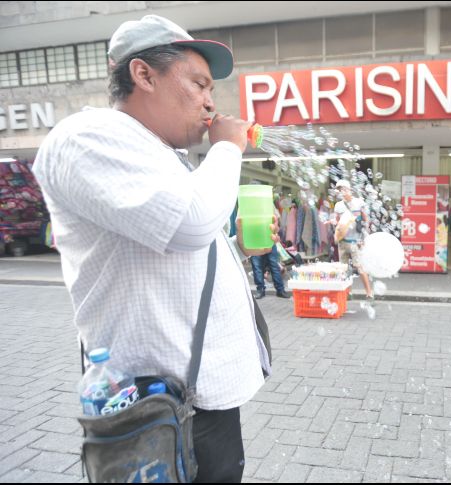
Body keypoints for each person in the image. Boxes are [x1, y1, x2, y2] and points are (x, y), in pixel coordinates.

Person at [32, 15, 276, 483]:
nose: (210, 101)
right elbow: (192, 224)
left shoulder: (160, 153)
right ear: (143, 74)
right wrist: (227, 149)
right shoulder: (87, 137)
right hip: (154, 409)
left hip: (196, 402)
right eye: (200, 83)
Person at [333, 179, 374, 302]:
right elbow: (337, 222)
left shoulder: (359, 202)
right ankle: (348, 292)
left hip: (356, 241)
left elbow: (366, 220)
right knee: (344, 269)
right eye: (340, 190)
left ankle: (369, 293)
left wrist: (364, 237)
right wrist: (334, 225)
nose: (342, 192)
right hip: (343, 242)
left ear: (350, 189)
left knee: (360, 268)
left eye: (344, 189)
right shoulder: (338, 205)